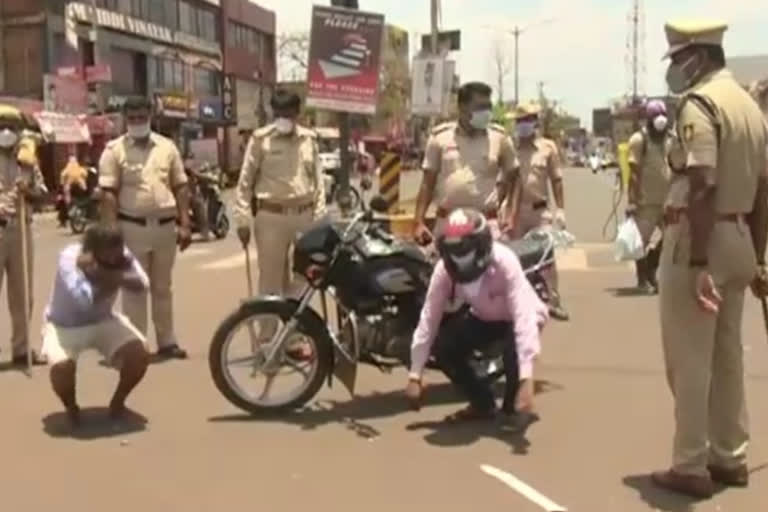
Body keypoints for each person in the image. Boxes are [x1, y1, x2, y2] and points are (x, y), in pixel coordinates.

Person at [651, 20, 768, 498]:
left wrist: (698, 263)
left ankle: (691, 464)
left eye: (678, 60)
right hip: (739, 236)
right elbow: (764, 190)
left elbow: (701, 183)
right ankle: (730, 455)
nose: (675, 70)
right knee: (726, 357)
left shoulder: (700, 105)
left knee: (690, 358)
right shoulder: (750, 107)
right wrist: (759, 259)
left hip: (700, 241)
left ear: (697, 56)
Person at [405, 209, 549, 423]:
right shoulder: (444, 270)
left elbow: (523, 318)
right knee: (445, 346)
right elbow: (429, 319)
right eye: (454, 253)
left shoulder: (504, 262)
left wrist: (526, 378)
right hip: (484, 316)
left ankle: (513, 407)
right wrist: (415, 374)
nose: (460, 261)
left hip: (521, 317)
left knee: (515, 353)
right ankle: (482, 403)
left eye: (465, 253)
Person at [98, 95, 191, 360]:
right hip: (132, 227)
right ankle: (135, 345)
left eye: (142, 117)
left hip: (165, 227)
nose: (138, 122)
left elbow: (181, 186)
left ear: (151, 116)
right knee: (134, 288)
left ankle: (167, 342)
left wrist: (185, 223)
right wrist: (111, 231)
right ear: (125, 119)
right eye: (133, 118)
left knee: (163, 288)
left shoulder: (167, 147)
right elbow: (108, 193)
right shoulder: (114, 150)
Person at [234, 90, 325, 351]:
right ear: (274, 113)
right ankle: (266, 340)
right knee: (271, 280)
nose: (284, 118)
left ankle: (293, 338)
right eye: (280, 114)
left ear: (298, 114)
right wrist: (242, 219)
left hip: (304, 215)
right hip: (271, 215)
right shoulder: (260, 140)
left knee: (301, 279)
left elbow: (318, 183)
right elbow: (244, 183)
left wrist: (318, 218)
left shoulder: (309, 140)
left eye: (289, 114)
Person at [42, 223, 150, 426]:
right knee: (62, 368)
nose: (113, 259)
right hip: (64, 325)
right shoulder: (69, 258)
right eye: (107, 255)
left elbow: (143, 284)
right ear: (91, 250)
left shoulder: (121, 255)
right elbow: (84, 301)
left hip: (103, 319)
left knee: (140, 354)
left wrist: (102, 273)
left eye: (116, 255)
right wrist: (118, 278)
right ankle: (71, 407)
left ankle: (118, 403)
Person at [412, 82, 519, 245]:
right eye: (480, 107)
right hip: (447, 222)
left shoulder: (499, 138)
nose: (487, 112)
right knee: (442, 269)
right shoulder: (440, 137)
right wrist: (418, 221)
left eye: (488, 106)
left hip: (486, 224)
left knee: (491, 270)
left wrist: (511, 215)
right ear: (462, 107)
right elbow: (427, 183)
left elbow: (515, 176)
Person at [508, 102, 569, 320]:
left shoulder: (547, 148)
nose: (524, 125)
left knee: (546, 258)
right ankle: (518, 304)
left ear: (535, 123)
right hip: (514, 212)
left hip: (539, 211)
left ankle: (553, 300)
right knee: (513, 260)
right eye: (521, 120)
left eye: (528, 120)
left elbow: (557, 180)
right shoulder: (509, 148)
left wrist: (560, 209)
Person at [0, 104, 48, 366]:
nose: (6, 131)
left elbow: (43, 195)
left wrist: (28, 192)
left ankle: (21, 349)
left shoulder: (27, 161)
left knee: (22, 295)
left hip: (21, 229)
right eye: (1, 126)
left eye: (11, 127)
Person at [626, 100, 673, 294]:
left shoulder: (672, 139)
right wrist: (632, 201)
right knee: (640, 243)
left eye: (662, 116)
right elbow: (634, 173)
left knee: (672, 239)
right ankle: (643, 280)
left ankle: (653, 263)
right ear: (649, 119)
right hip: (646, 202)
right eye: (656, 117)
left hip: (669, 201)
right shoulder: (639, 140)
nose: (660, 121)